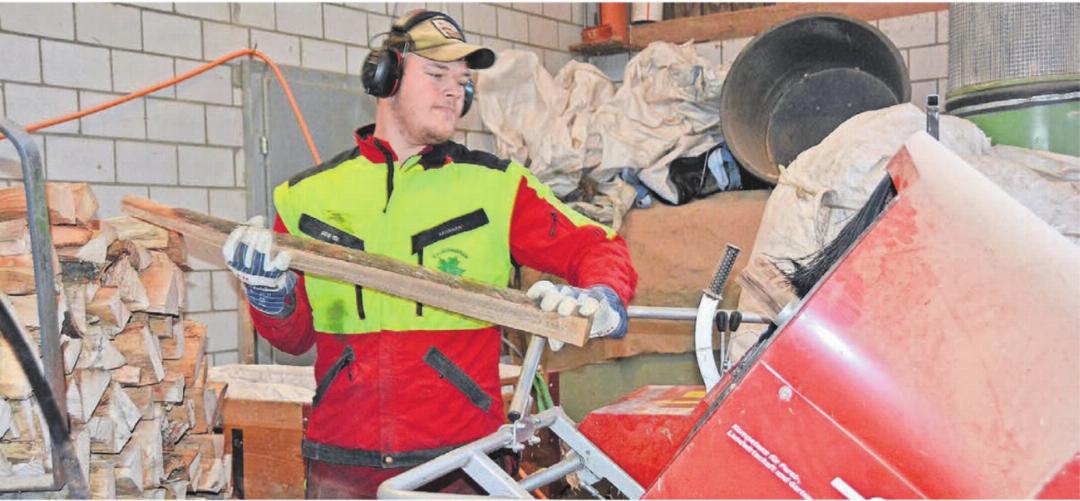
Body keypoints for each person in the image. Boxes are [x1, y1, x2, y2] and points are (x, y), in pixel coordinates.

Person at [222, 9, 638, 499]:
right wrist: (270, 298)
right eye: (437, 74)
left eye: (463, 81)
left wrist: (604, 296)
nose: (453, 91)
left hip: (464, 463)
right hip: (342, 463)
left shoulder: (497, 188)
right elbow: (294, 338)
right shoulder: (305, 196)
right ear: (386, 76)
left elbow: (597, 245)